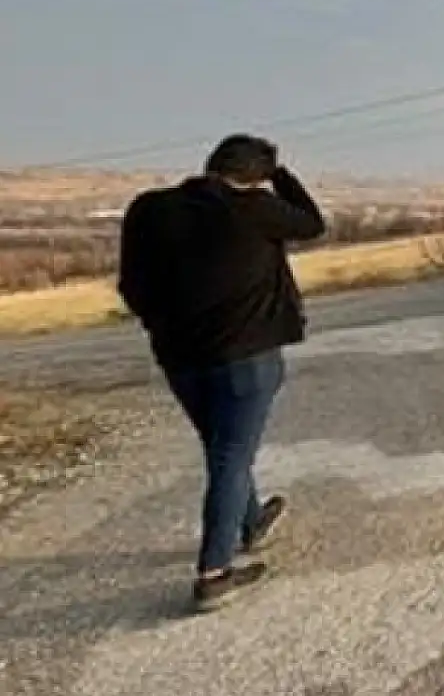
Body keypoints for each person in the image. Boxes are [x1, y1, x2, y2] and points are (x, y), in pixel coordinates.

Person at [117, 134, 326, 612]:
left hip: (179, 358)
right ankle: (214, 572)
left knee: (223, 446)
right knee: (231, 454)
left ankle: (251, 523)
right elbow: (313, 223)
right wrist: (280, 176)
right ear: (257, 176)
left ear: (212, 164)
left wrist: (161, 324)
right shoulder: (255, 208)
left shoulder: (148, 208)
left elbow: (130, 284)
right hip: (246, 358)